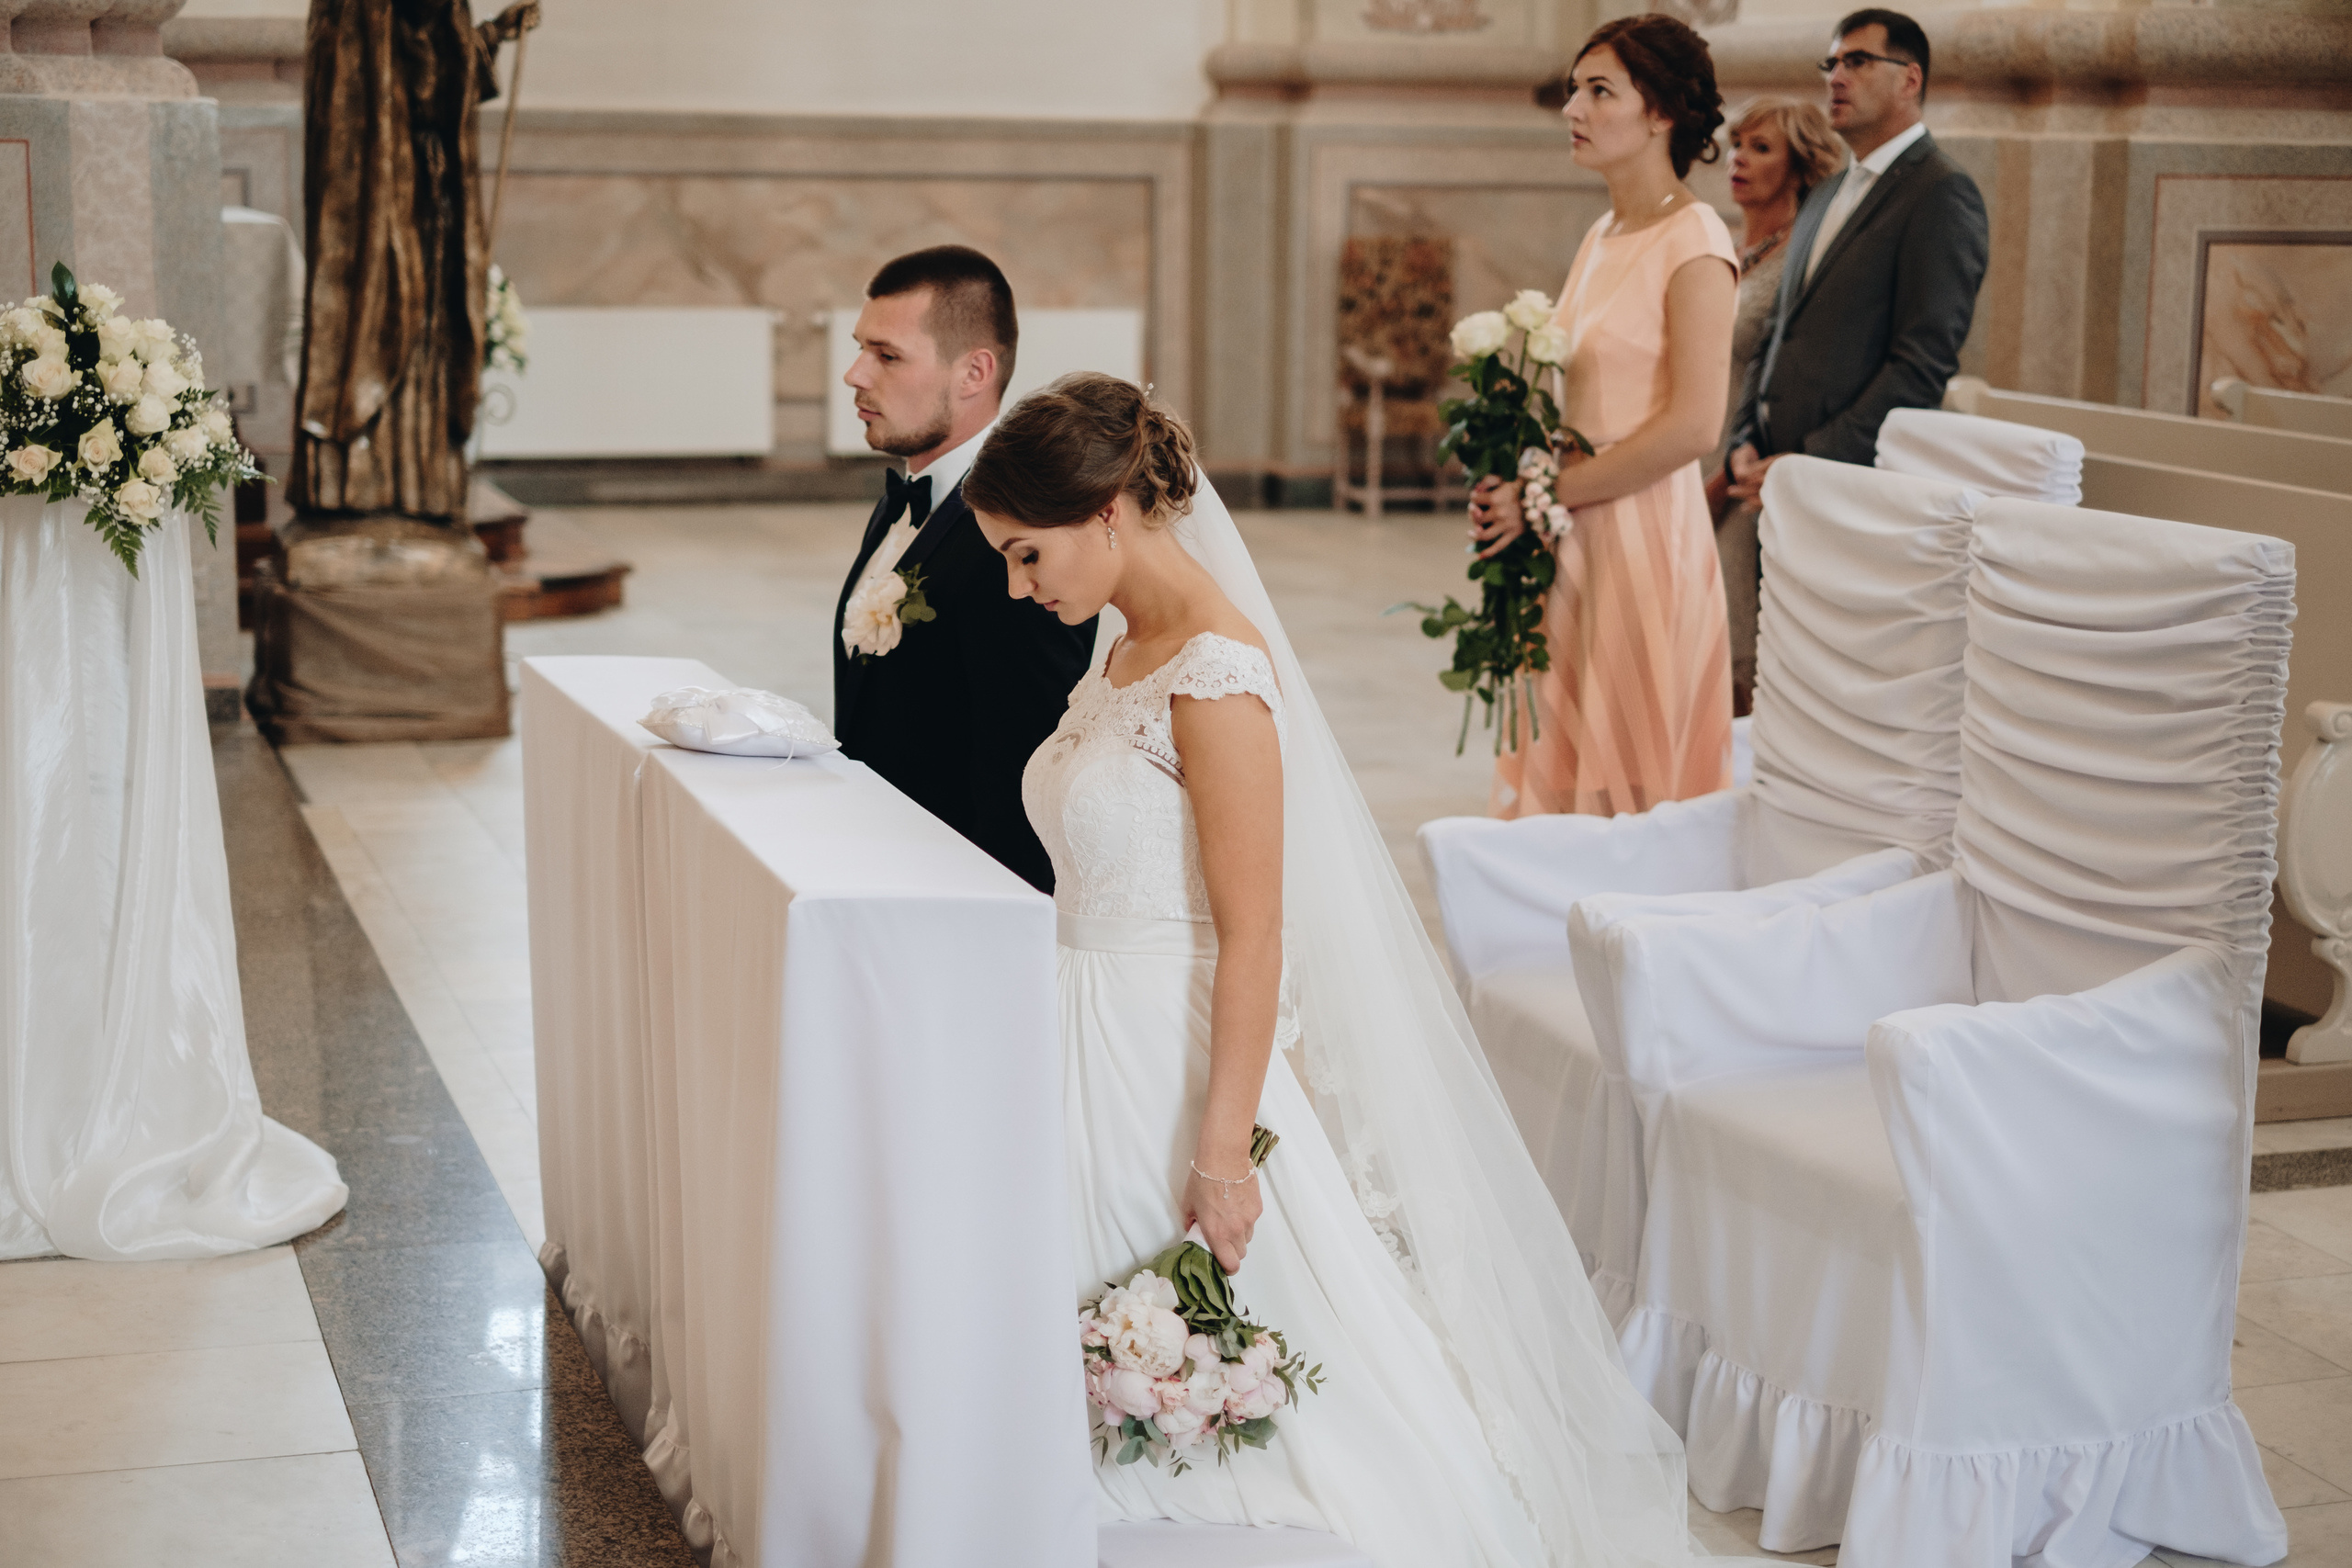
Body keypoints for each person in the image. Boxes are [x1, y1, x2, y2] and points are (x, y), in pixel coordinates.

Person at [965, 374, 1744, 1565]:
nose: (1023, 587)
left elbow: (1257, 931)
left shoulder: (1217, 675)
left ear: (1111, 510)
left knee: (1243, 1404)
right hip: (1072, 1035)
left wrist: (1222, 1151)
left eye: (1028, 555)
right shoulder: (1126, 645)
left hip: (1163, 1064)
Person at [1472, 15, 1739, 819]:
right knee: (1567, 753)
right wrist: (1519, 475)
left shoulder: (1695, 240)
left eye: (1599, 91)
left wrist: (1549, 492)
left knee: (1636, 775)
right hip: (1576, 527)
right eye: (1572, 91)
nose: (1574, 110)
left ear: (1660, 111)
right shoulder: (1603, 231)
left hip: (1645, 532)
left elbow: (1694, 426)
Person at [830, 246, 1095, 893]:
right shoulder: (905, 499)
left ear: (975, 371)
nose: (854, 373)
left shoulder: (1021, 542)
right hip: (883, 873)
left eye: (887, 355)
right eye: (861, 347)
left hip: (953, 901)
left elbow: (1023, 779)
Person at [1724, 8, 1989, 498]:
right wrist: (1743, 437)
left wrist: (1814, 458)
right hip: (1765, 472)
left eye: (1858, 61)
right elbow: (1775, 332)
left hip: (1844, 481)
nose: (1837, 78)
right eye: (1832, 64)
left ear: (1910, 80)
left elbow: (1920, 365)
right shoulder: (1824, 193)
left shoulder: (1940, 192)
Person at [1705, 100, 1843, 713]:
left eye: (1761, 148)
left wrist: (1731, 466)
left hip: (1740, 470)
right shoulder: (1719, 244)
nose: (1739, 158)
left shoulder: (1804, 260)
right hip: (1685, 454)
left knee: (1736, 638)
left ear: (1799, 167)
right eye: (1738, 143)